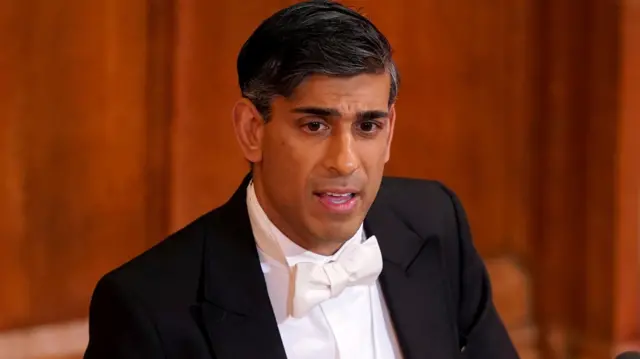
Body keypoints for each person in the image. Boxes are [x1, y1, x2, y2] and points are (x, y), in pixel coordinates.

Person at [84, 1, 519, 358]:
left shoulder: (436, 223)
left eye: (368, 126)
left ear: (390, 131)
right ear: (252, 130)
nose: (345, 162)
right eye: (315, 126)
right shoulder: (148, 308)